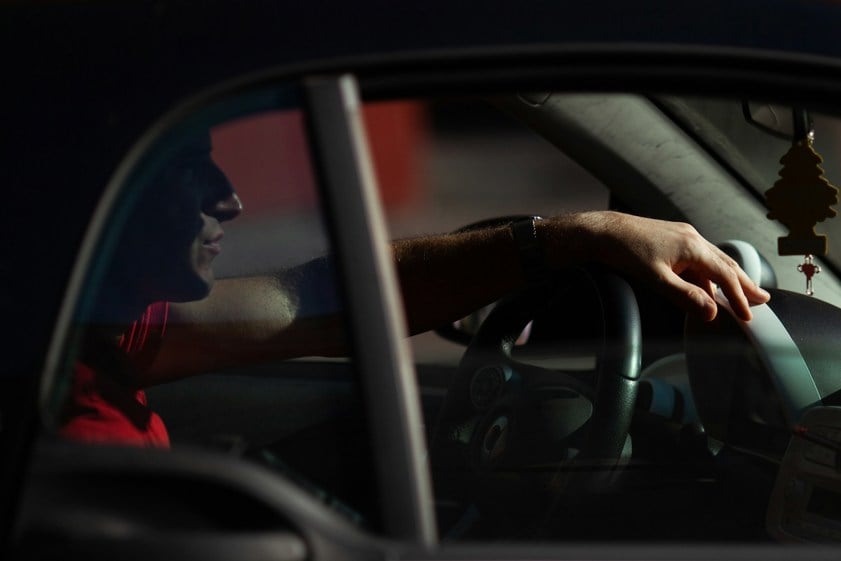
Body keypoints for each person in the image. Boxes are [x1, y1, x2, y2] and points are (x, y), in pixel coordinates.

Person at [58, 132, 771, 447]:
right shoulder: (75, 443)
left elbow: (313, 303)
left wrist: (585, 233)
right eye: (189, 168)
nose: (231, 200)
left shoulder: (102, 331)